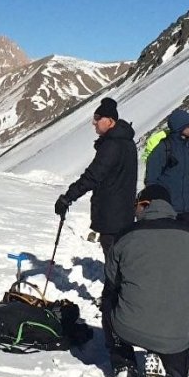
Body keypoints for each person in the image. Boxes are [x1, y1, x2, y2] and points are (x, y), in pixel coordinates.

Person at [103, 184, 189, 377]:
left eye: (136, 206)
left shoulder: (125, 235)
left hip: (127, 328)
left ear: (146, 205)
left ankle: (124, 364)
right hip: (174, 337)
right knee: (179, 376)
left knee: (108, 298)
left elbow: (111, 280)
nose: (134, 211)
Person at [54, 97, 137, 257]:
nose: (94, 122)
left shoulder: (112, 145)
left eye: (98, 118)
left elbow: (93, 175)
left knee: (113, 261)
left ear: (110, 121)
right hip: (123, 213)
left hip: (112, 216)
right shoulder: (126, 142)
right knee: (121, 259)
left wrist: (68, 198)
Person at [144, 108, 189, 229]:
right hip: (168, 210)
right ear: (180, 127)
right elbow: (151, 180)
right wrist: (157, 204)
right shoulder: (163, 148)